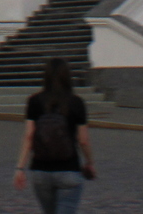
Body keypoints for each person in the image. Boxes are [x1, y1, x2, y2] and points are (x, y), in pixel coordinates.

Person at [13, 56, 95, 213]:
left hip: (40, 171)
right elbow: (83, 140)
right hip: (69, 170)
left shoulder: (34, 101)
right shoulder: (76, 102)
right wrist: (89, 162)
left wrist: (20, 168)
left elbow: (29, 136)